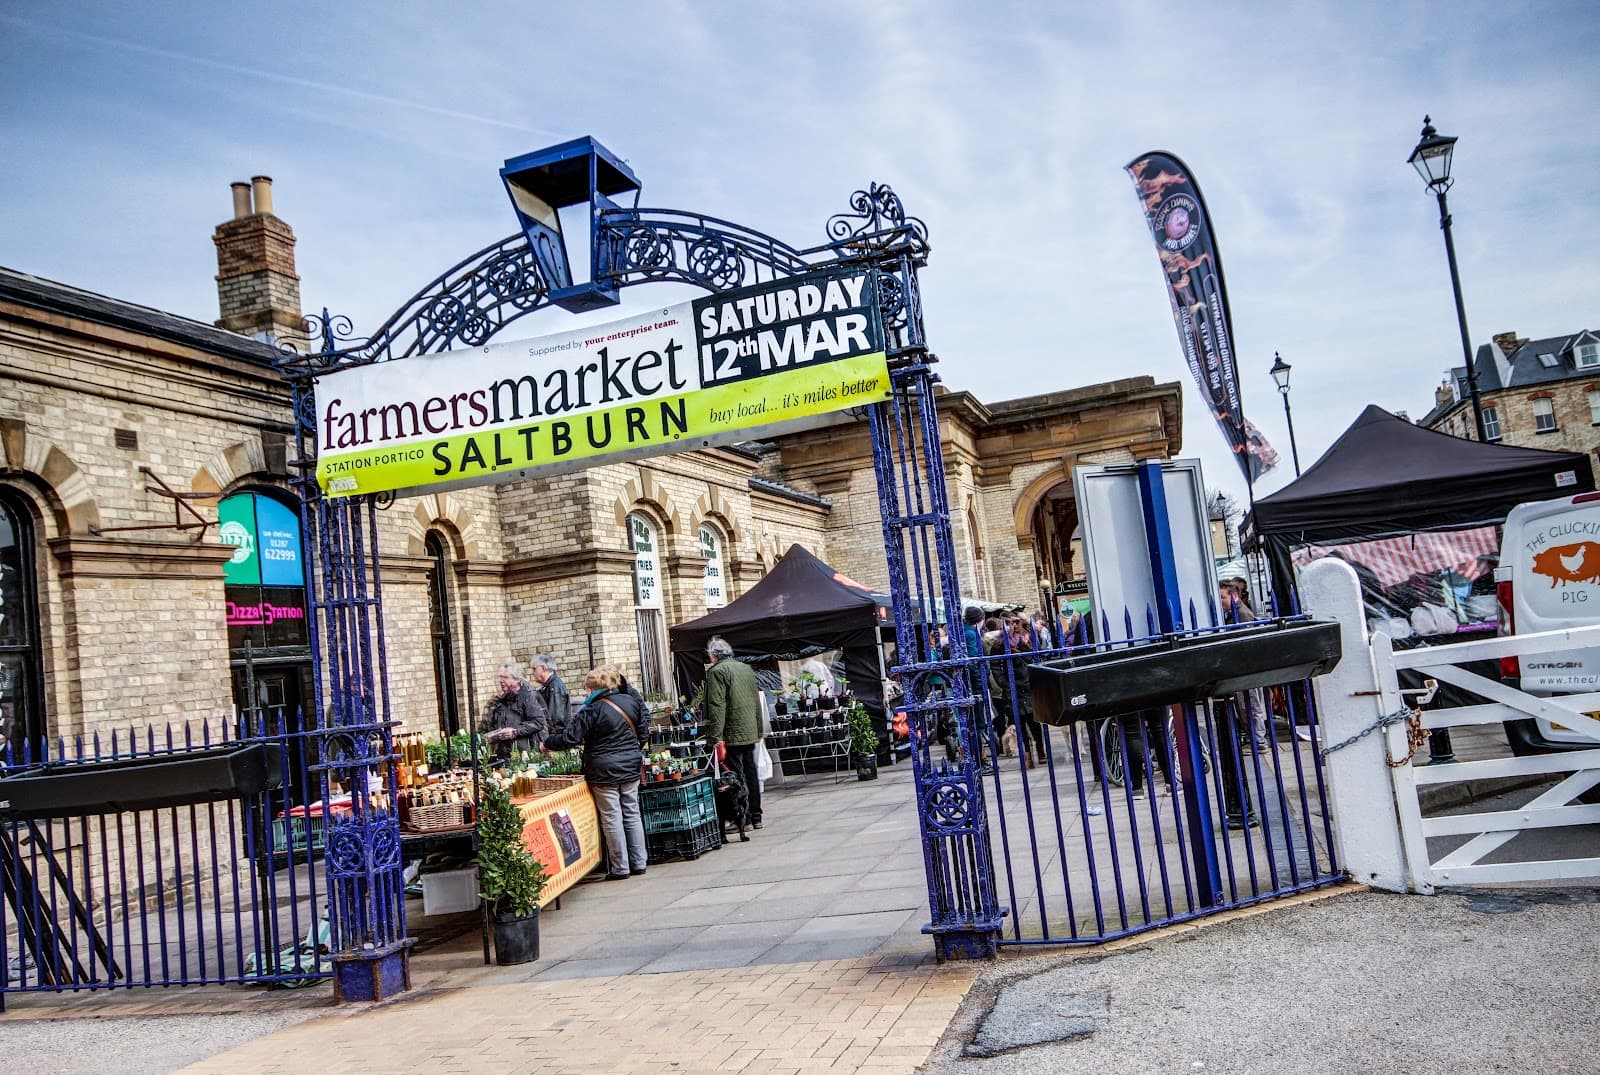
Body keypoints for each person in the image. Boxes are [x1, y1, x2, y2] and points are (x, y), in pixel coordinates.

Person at [541, 665, 648, 880]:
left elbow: (570, 738)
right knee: (632, 813)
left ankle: (620, 868)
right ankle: (639, 863)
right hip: (629, 767)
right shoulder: (632, 702)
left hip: (603, 770)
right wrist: (630, 753)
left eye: (588, 689)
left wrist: (546, 744)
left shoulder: (592, 710)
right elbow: (644, 732)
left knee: (612, 817)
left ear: (596, 688)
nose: (586, 693)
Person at [703, 636, 764, 829]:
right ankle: (756, 816)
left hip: (731, 732)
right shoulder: (745, 668)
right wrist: (759, 728)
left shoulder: (717, 672)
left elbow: (717, 705)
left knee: (736, 776)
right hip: (749, 730)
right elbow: (756, 700)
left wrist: (715, 736)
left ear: (714, 655)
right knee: (751, 772)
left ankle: (742, 820)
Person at [483, 660, 548, 759]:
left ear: (517, 679)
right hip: (507, 754)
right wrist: (493, 734)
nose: (501, 681)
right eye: (499, 677)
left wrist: (515, 731)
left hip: (526, 755)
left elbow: (538, 722)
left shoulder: (529, 696)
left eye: (505, 677)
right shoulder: (503, 699)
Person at [530, 654, 570, 733]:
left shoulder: (555, 687)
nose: (533, 673)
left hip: (556, 737)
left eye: (534, 669)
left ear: (544, 668)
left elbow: (555, 718)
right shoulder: (548, 686)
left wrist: (550, 740)